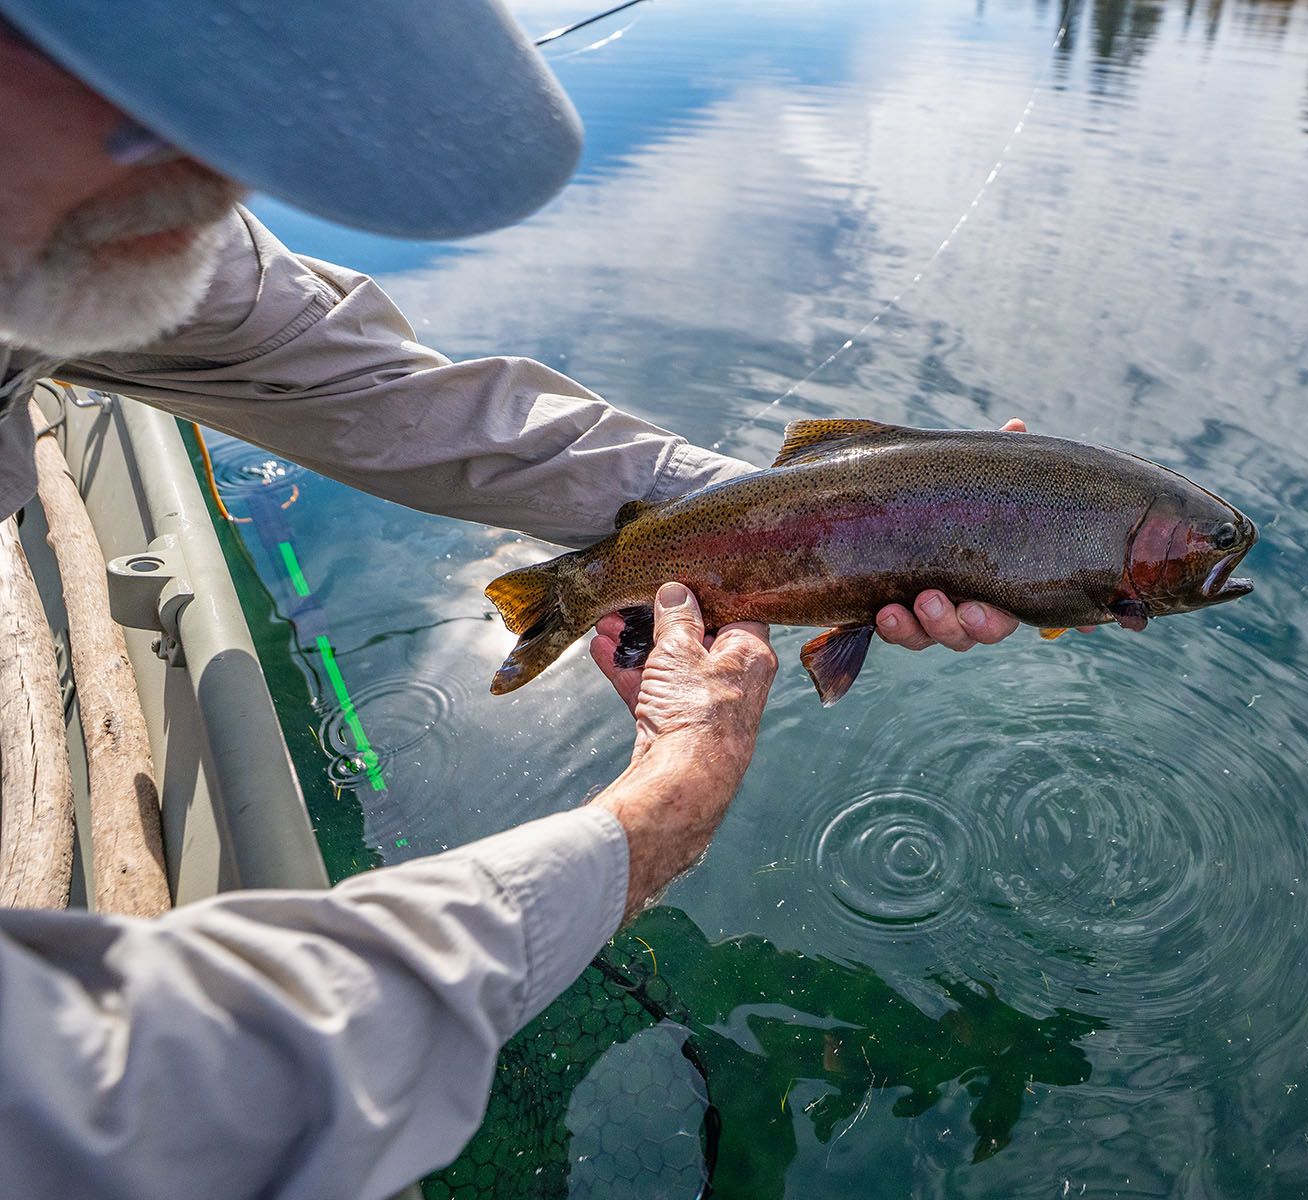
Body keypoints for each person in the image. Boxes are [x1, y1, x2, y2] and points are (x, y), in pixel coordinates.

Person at [0, 1, 1022, 1196]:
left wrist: (828, 522)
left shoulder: (116, 222)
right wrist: (653, 818)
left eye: (260, 118)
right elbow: (145, 1104)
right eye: (150, 87)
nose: (226, 170)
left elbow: (401, 399)